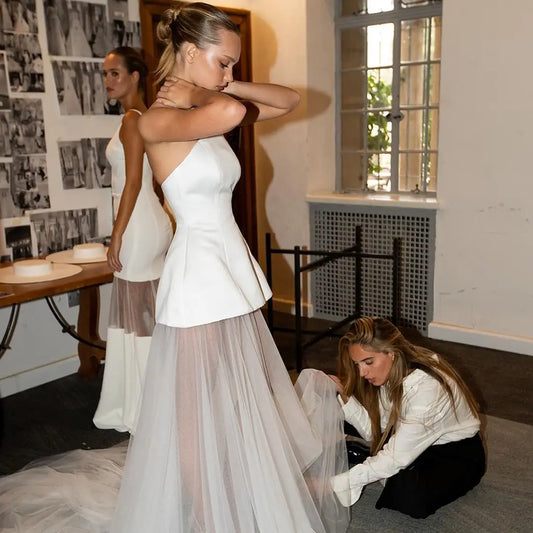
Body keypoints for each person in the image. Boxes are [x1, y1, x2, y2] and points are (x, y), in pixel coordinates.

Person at [110, 3, 349, 532]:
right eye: (223, 62)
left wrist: (214, 84)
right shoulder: (159, 119)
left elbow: (286, 100)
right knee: (195, 410)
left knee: (229, 394)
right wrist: (207, 93)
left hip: (225, 270)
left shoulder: (201, 101)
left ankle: (226, 491)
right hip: (197, 276)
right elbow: (231, 114)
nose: (231, 75)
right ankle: (209, 515)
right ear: (190, 52)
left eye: (234, 66)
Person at [329, 317, 486, 519]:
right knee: (342, 412)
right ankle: (371, 458)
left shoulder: (427, 389)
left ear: (392, 353)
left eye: (368, 362)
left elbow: (396, 457)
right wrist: (346, 399)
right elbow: (375, 429)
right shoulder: (393, 372)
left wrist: (331, 485)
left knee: (411, 500)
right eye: (357, 364)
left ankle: (369, 458)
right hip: (418, 438)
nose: (361, 372)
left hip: (456, 454)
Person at [93, 46, 173, 434]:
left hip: (138, 225)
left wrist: (116, 236)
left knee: (140, 317)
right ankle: (160, 397)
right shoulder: (145, 117)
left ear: (135, 76)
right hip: (148, 220)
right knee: (148, 315)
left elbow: (132, 184)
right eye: (105, 74)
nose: (108, 80)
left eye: (115, 73)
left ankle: (146, 406)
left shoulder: (131, 119)